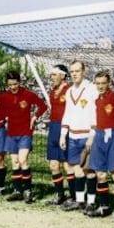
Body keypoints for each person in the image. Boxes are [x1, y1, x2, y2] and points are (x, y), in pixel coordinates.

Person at [1, 70, 47, 203]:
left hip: (25, 133)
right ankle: (17, 191)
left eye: (15, 84)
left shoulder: (27, 94)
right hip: (11, 134)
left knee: (23, 160)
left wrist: (35, 117)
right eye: (10, 85)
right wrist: (3, 117)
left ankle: (28, 191)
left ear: (19, 83)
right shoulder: (5, 96)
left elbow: (42, 106)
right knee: (15, 163)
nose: (13, 87)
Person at [86, 71, 114, 220]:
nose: (101, 86)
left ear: (109, 83)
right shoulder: (97, 100)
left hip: (113, 136)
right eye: (98, 83)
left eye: (103, 83)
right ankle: (104, 206)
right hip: (99, 136)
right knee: (100, 174)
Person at [59, 60, 98, 213]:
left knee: (89, 170)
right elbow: (67, 113)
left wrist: (92, 135)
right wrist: (63, 135)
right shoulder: (69, 91)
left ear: (84, 71)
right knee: (76, 168)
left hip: (87, 135)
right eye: (72, 72)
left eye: (77, 71)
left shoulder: (91, 89)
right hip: (73, 135)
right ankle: (80, 201)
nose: (74, 74)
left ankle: (92, 202)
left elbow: (96, 113)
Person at [45, 65, 74, 206]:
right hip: (53, 128)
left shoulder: (70, 91)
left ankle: (74, 197)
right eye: (51, 75)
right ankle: (60, 195)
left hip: (65, 129)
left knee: (67, 165)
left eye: (54, 74)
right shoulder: (52, 91)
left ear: (62, 76)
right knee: (53, 164)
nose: (52, 77)